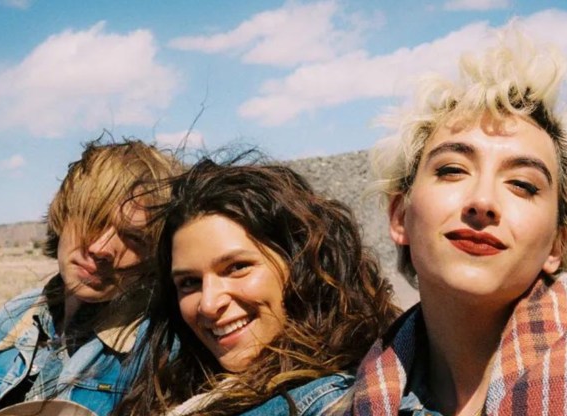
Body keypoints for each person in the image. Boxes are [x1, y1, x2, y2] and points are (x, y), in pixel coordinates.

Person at [327, 29, 567, 415]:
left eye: (522, 184)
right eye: (451, 169)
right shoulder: (341, 401)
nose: (482, 202)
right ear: (400, 216)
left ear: (556, 245)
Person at [114, 155, 401, 415]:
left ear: (300, 264)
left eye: (237, 267)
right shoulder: (185, 387)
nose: (210, 304)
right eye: (189, 282)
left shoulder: (335, 403)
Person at [0, 139, 181, 416]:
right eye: (92, 219)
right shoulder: (13, 317)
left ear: (154, 257)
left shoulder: (158, 344)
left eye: (133, 237)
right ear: (62, 215)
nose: (100, 248)